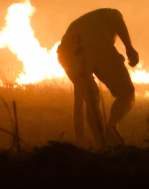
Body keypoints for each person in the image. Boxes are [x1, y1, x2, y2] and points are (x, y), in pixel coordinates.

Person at [57, 8, 140, 146]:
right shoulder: (112, 14)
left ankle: (101, 144)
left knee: (91, 98)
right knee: (127, 93)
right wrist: (129, 48)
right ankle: (112, 128)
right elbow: (117, 21)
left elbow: (94, 53)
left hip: (67, 51)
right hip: (94, 43)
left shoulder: (87, 22)